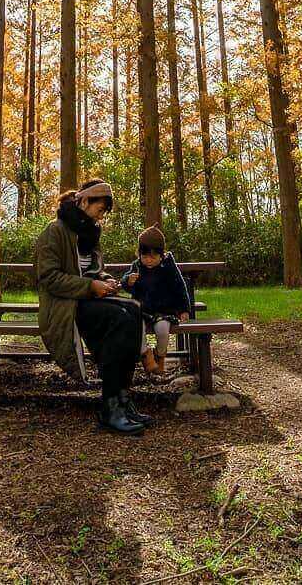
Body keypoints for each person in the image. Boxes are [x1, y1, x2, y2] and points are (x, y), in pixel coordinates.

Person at [33, 179, 152, 435]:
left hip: (87, 299)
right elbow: (49, 278)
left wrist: (102, 280)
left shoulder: (90, 231)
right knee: (118, 320)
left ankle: (122, 398)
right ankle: (110, 408)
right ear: (85, 201)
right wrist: (90, 287)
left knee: (133, 310)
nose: (102, 216)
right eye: (100, 209)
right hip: (64, 305)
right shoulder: (55, 231)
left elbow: (91, 270)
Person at [120, 225, 190, 376]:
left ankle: (160, 357)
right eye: (144, 257)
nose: (148, 261)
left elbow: (180, 287)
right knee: (135, 328)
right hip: (142, 310)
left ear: (161, 255)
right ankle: (146, 355)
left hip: (163, 311)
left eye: (153, 257)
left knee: (163, 330)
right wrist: (128, 281)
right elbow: (125, 284)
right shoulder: (137, 266)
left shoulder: (168, 267)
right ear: (139, 254)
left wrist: (184, 309)